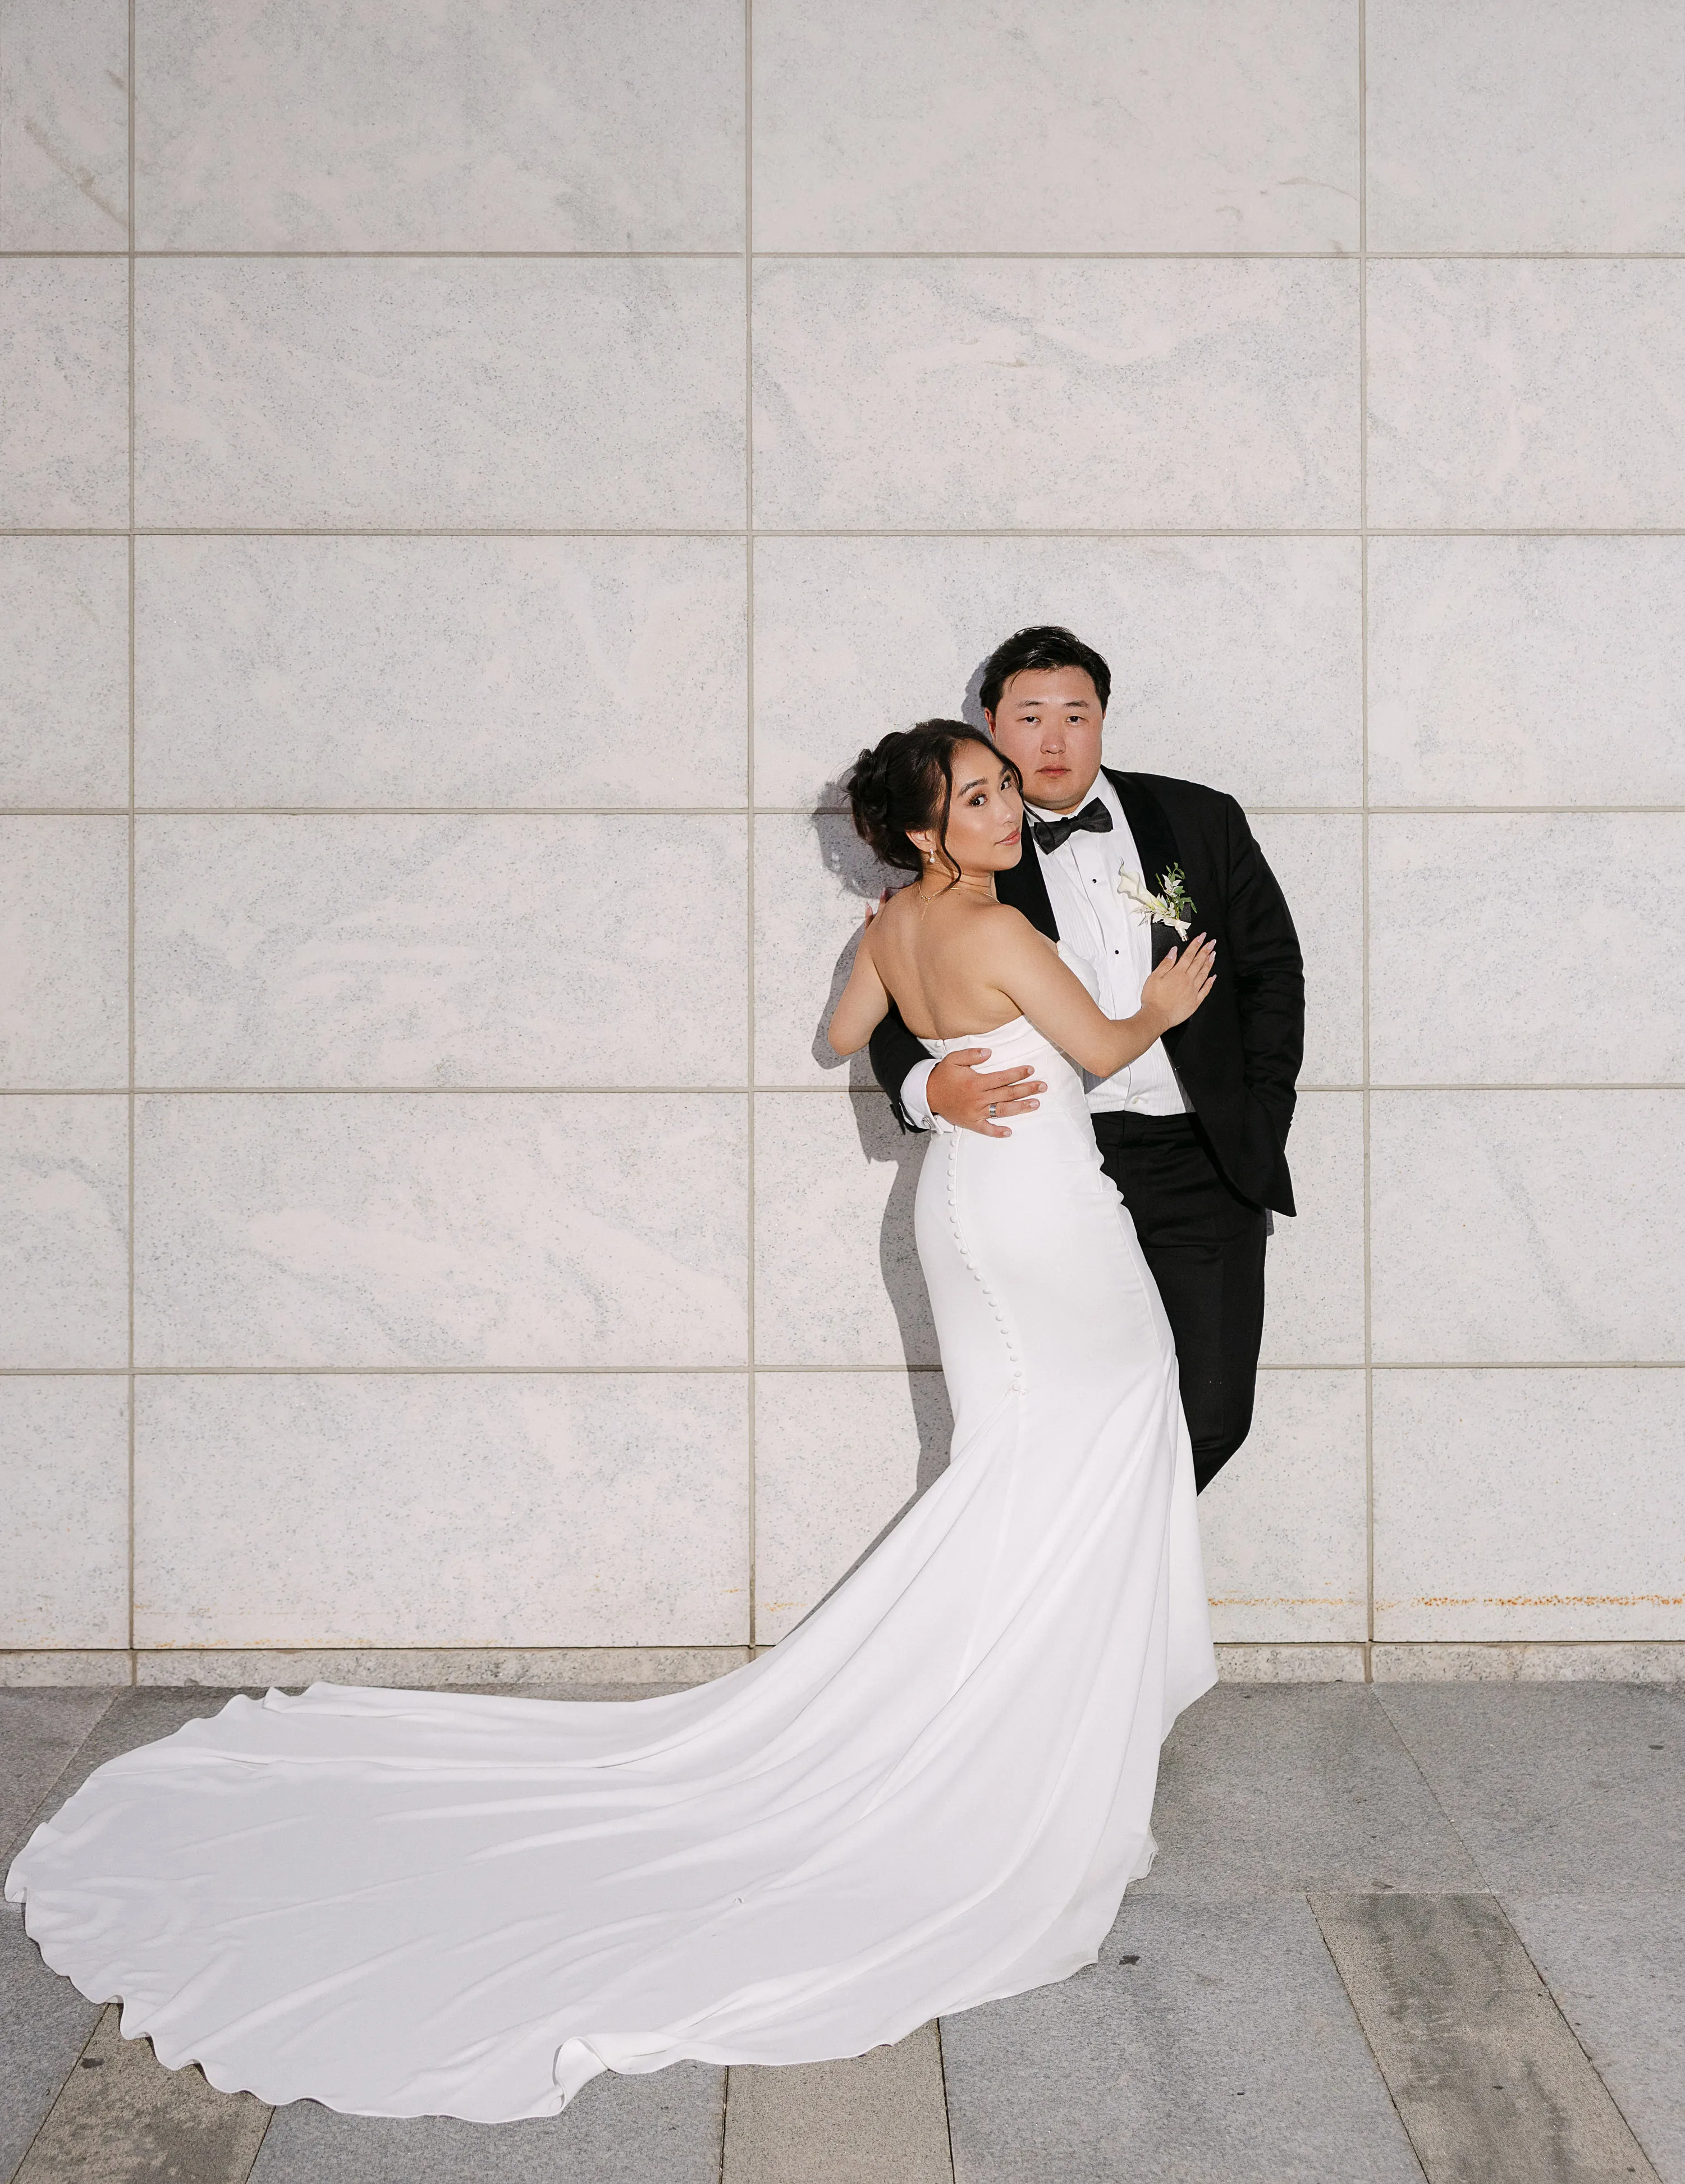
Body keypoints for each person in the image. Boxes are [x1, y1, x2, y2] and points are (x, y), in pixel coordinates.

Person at [6, 723, 1217, 2127]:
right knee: (1093, 1440)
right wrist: (1167, 1001)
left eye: (1005, 789)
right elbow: (1099, 1042)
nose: (1007, 808)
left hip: (965, 1209)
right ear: (928, 830)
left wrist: (927, 1070)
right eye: (979, 796)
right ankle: (1009, 1740)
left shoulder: (892, 928)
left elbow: (843, 1035)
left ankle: (1012, 1709)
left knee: (1029, 1467)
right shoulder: (995, 925)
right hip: (1050, 1222)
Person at [869, 626, 1304, 1492]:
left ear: (1103, 718)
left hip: (1200, 1157)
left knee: (1209, 1416)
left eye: (1076, 714)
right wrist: (926, 1086)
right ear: (989, 723)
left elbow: (1271, 975)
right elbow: (886, 1007)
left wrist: (1254, 1114)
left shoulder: (1198, 817)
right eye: (1029, 717)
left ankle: (1087, 1595)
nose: (1054, 739)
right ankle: (1078, 1614)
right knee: (1061, 1411)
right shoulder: (966, 848)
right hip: (1053, 1165)